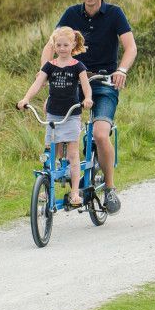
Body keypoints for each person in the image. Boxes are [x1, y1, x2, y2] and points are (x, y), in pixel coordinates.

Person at [41, 0, 137, 213]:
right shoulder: (71, 14)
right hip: (72, 82)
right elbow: (50, 45)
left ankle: (110, 188)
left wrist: (122, 70)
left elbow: (130, 48)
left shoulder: (115, 14)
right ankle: (60, 175)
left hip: (104, 83)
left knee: (101, 134)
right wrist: (44, 74)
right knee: (57, 127)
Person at [18, 27, 93, 207]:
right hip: (53, 114)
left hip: (71, 115)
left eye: (65, 45)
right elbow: (38, 84)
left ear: (73, 45)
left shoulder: (78, 66)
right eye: (58, 45)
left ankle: (75, 192)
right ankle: (47, 187)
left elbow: (85, 86)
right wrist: (26, 98)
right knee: (53, 153)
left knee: (73, 154)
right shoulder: (50, 66)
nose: (62, 48)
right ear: (54, 45)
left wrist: (88, 98)